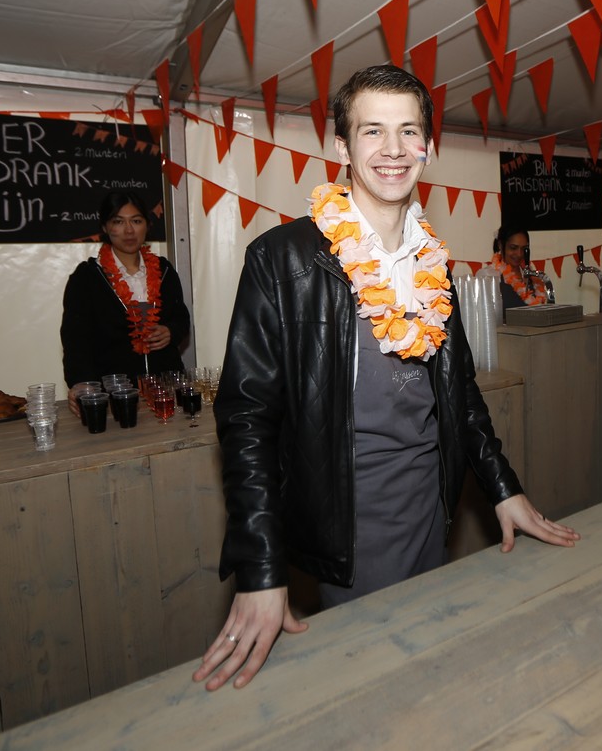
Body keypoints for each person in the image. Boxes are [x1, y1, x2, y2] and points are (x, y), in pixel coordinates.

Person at [195, 65, 578, 692]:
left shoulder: (434, 263)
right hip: (352, 514)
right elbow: (246, 420)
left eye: (409, 131)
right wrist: (262, 568)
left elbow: (460, 395)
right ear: (342, 147)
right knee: (379, 683)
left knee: (432, 669)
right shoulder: (283, 260)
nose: (393, 149)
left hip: (431, 503)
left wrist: (503, 489)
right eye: (373, 131)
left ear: (427, 146)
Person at [60, 191, 190, 413]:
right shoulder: (86, 277)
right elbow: (75, 340)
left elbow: (181, 317)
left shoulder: (164, 269)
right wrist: (81, 382)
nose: (129, 231)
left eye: (136, 221)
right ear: (105, 227)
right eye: (118, 222)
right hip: (115, 396)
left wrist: (171, 331)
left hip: (166, 391)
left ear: (147, 225)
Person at [491, 226, 548, 308]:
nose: (519, 254)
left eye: (524, 249)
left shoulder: (532, 275)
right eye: (513, 248)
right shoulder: (489, 275)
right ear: (500, 245)